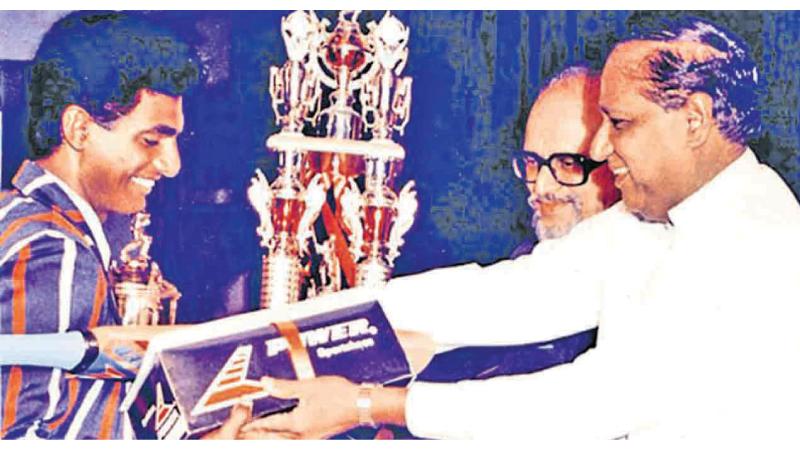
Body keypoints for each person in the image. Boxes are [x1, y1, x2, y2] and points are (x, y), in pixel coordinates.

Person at [238, 17, 800, 440]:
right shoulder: (652, 216)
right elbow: (507, 294)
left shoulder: (760, 238)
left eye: (620, 123)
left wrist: (369, 405)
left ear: (695, 121)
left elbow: (598, 400)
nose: (601, 147)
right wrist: (276, 330)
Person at [0, 12, 199, 439]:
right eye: (151, 140)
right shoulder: (56, 251)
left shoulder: (14, 217)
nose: (172, 164)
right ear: (79, 128)